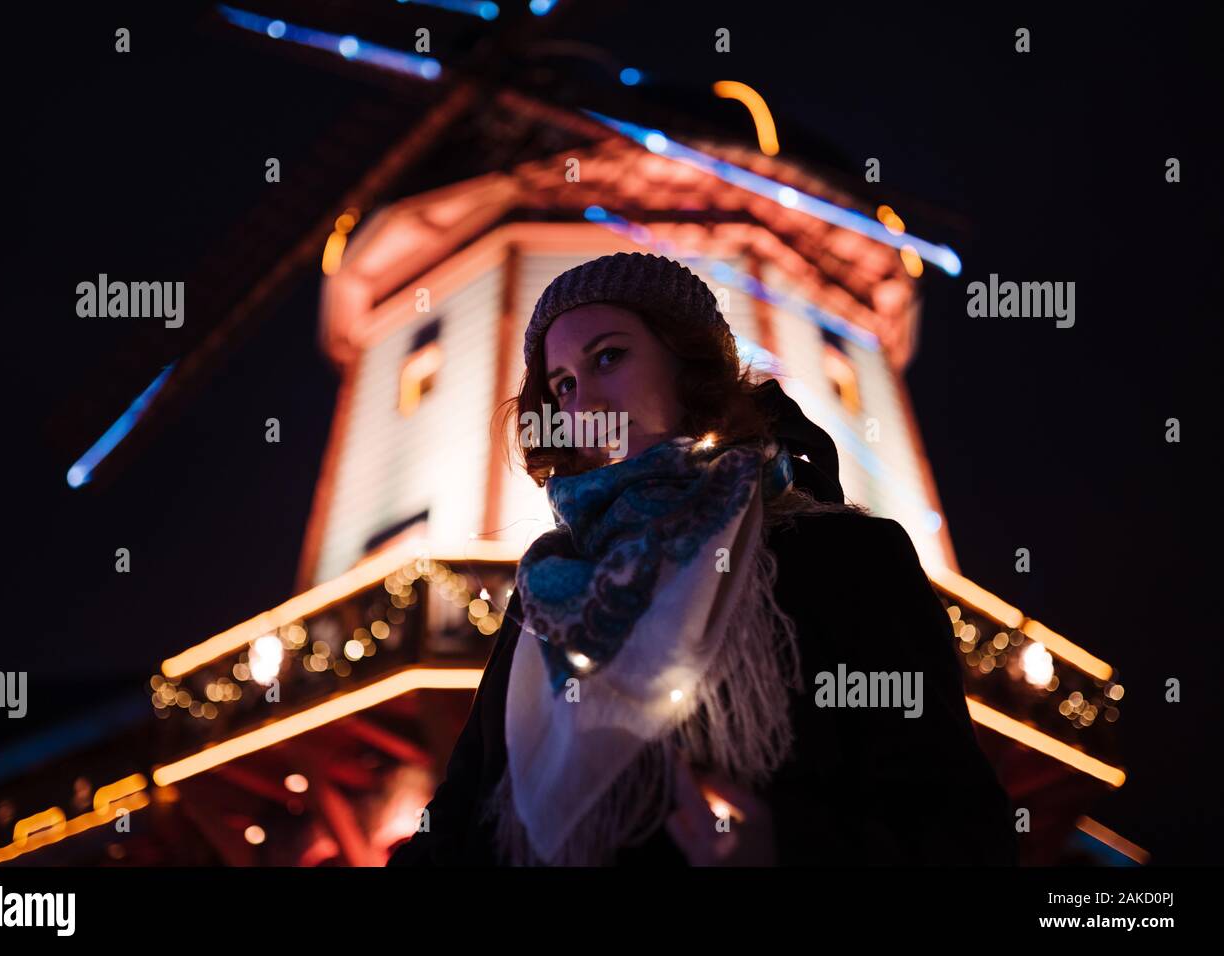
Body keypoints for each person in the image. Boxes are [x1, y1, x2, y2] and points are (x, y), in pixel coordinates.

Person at [388, 252, 1017, 866]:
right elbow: (462, 816)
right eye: (564, 385)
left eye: (610, 356)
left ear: (688, 364)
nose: (584, 406)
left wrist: (786, 846)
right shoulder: (549, 589)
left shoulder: (842, 559)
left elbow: (966, 833)